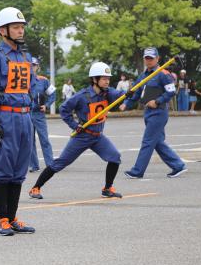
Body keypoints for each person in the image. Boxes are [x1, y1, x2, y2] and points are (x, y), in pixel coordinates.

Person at [28, 62, 124, 200]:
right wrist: (74, 125)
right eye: (104, 78)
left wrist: (129, 94)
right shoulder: (81, 96)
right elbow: (63, 109)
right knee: (59, 163)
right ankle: (35, 188)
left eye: (108, 78)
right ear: (94, 79)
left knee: (115, 157)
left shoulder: (108, 93)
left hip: (98, 137)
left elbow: (120, 94)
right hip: (82, 136)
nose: (107, 81)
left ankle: (107, 188)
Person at [0, 6, 36, 236]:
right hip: (6, 117)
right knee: (4, 169)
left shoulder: (25, 56)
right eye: (16, 27)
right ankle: (1, 219)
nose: (20, 30)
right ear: (2, 31)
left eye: (22, 26)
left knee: (19, 170)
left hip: (26, 117)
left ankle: (13, 218)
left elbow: (30, 86)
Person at [120, 47, 187, 178]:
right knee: (157, 142)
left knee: (148, 142)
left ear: (157, 59)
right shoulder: (143, 76)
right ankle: (178, 166)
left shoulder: (163, 74)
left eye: (151, 58)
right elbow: (137, 92)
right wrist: (126, 104)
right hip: (148, 113)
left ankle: (137, 171)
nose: (149, 60)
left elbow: (171, 91)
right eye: (147, 58)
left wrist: (157, 101)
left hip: (159, 112)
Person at [29, 57, 56, 172]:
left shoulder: (43, 80)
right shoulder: (22, 81)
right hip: (26, 114)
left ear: (37, 67)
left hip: (39, 114)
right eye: (30, 65)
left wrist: (47, 105)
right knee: (29, 141)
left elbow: (53, 93)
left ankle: (50, 165)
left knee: (44, 139)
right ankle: (34, 165)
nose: (32, 67)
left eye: (34, 65)